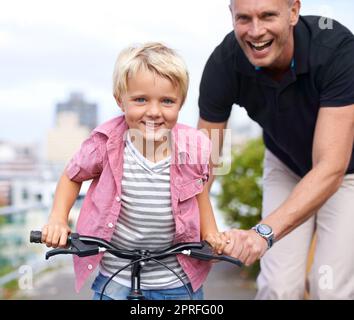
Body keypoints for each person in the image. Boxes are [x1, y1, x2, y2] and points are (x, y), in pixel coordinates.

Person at [41, 42, 228, 300]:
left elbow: (199, 193)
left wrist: (210, 234)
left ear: (181, 103)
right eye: (140, 100)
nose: (154, 112)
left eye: (167, 101)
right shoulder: (105, 143)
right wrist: (58, 220)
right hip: (117, 277)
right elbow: (71, 175)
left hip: (176, 281)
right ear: (121, 100)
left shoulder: (193, 146)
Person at [198, 0, 354, 299]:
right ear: (231, 15)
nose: (256, 31)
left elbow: (331, 166)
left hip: (346, 171)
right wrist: (198, 228)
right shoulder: (223, 63)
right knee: (277, 287)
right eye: (244, 18)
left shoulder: (337, 49)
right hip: (286, 164)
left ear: (293, 11)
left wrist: (263, 234)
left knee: (330, 287)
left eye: (268, 15)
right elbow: (203, 165)